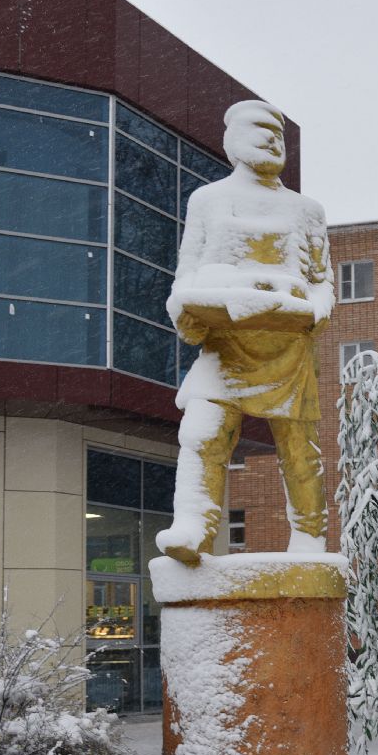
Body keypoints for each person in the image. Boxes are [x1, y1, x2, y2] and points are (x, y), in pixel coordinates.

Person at [154, 99, 334, 565]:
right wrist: (190, 312)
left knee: (299, 452)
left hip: (287, 349)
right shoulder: (207, 200)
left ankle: (309, 537)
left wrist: (311, 313)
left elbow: (321, 282)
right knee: (203, 433)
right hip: (225, 343)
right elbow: (187, 274)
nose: (272, 140)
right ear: (232, 142)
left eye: (277, 135)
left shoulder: (306, 210)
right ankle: (194, 525)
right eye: (260, 131)